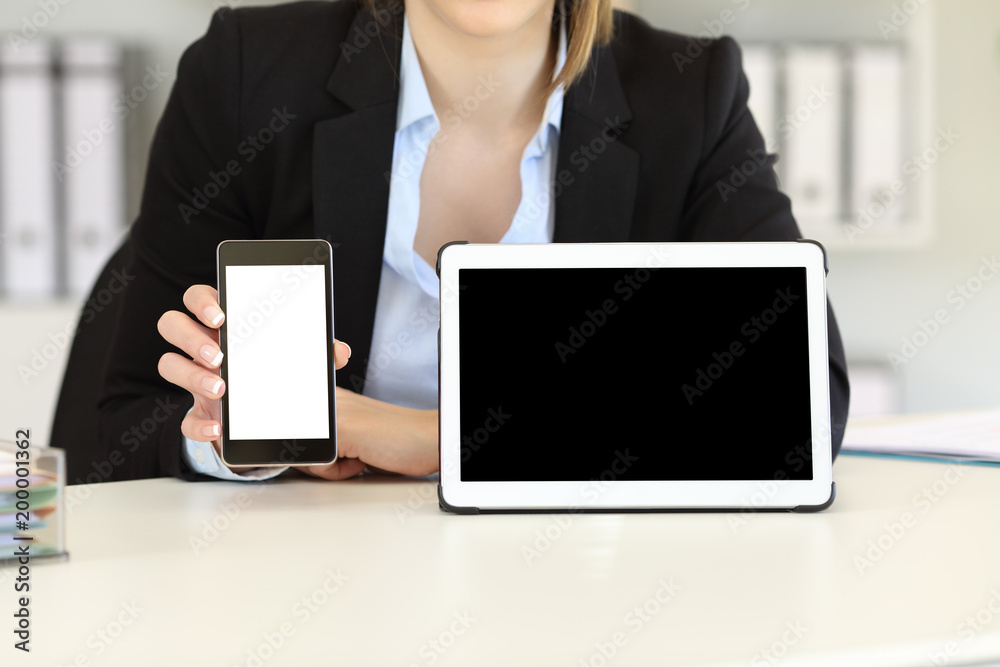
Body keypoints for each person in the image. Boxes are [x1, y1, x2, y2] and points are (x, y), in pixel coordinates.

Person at [98, 0, 850, 482]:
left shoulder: (690, 92)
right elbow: (123, 420)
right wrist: (237, 442)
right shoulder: (245, 73)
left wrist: (441, 437)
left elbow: (803, 399)